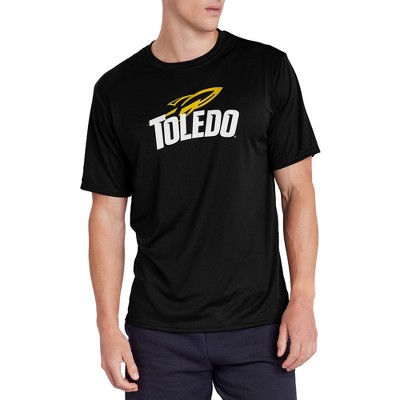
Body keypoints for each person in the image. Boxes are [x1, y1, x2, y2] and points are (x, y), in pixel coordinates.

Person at [80, 0, 320, 398]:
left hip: (261, 328)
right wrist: (107, 325)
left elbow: (297, 191)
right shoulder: (117, 90)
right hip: (159, 334)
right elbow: (107, 215)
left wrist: (303, 299)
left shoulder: (266, 69)